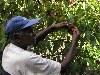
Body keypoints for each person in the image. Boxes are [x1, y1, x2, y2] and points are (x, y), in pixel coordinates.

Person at [2, 16, 80, 75]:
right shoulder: (26, 59)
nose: (33, 33)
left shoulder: (10, 48)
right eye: (29, 32)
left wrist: (52, 28)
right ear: (17, 37)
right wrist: (75, 41)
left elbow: (35, 38)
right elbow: (61, 68)